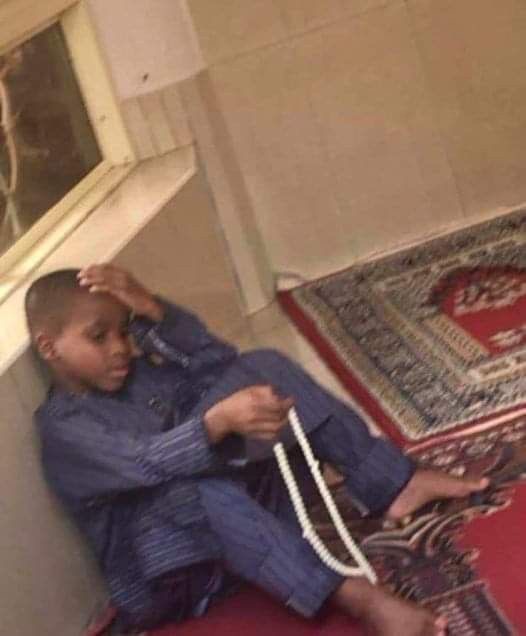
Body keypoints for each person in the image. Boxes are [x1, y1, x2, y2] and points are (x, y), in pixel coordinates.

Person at [27, 264, 488, 635]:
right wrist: (218, 422)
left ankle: (395, 484)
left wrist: (153, 309)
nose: (120, 349)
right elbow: (149, 462)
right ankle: (359, 598)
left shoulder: (138, 375)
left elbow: (218, 361)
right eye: (98, 336)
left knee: (262, 366)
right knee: (188, 490)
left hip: (240, 519)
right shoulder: (65, 429)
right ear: (49, 347)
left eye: (124, 331)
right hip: (173, 574)